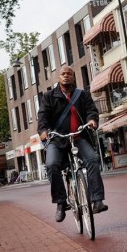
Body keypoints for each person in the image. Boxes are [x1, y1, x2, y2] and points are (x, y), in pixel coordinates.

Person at [37, 66, 109, 222]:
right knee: (51, 164)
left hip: (78, 137)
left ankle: (97, 200)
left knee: (92, 159)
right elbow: (42, 117)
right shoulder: (49, 97)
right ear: (58, 78)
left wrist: (92, 120)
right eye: (63, 74)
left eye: (69, 73)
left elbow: (91, 110)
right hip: (57, 140)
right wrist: (43, 131)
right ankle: (61, 202)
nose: (66, 76)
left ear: (73, 77)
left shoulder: (81, 95)